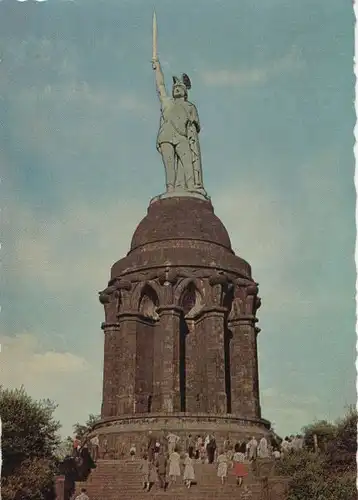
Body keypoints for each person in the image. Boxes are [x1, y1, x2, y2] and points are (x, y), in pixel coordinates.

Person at [152, 57, 206, 196]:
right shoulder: (167, 103)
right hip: (166, 136)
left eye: (179, 88)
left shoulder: (189, 107)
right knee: (169, 167)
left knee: (188, 162)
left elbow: (193, 129)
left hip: (181, 137)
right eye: (175, 88)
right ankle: (170, 190)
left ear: (185, 92)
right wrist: (157, 68)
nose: (176, 89)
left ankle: (191, 186)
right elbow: (160, 86)